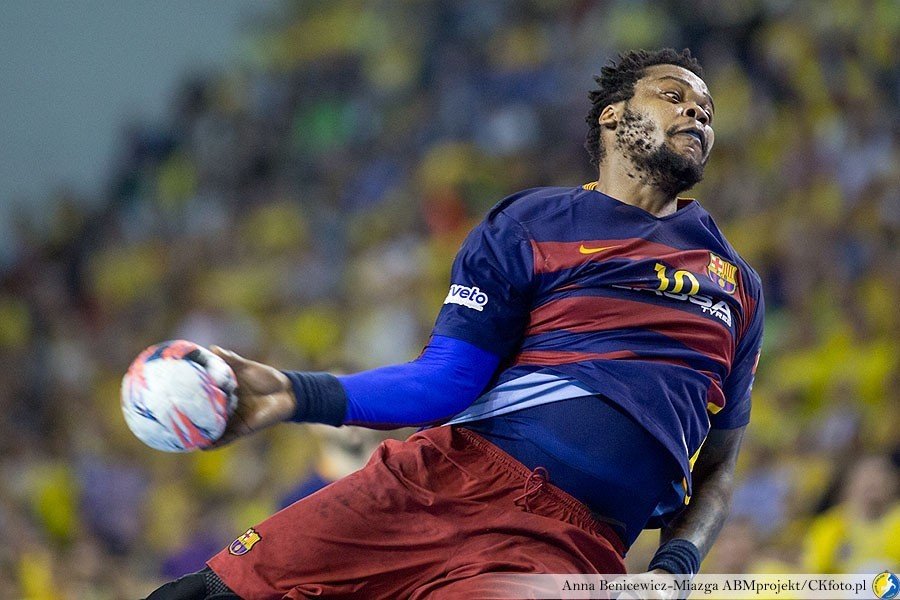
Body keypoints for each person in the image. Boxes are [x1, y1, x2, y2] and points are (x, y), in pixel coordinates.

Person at [146, 48, 764, 599]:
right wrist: (292, 393)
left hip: (562, 549)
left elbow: (717, 468)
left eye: (707, 110)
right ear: (612, 116)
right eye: (673, 96)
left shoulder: (736, 286)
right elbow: (443, 381)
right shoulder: (532, 224)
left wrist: (675, 570)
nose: (696, 113)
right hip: (436, 482)